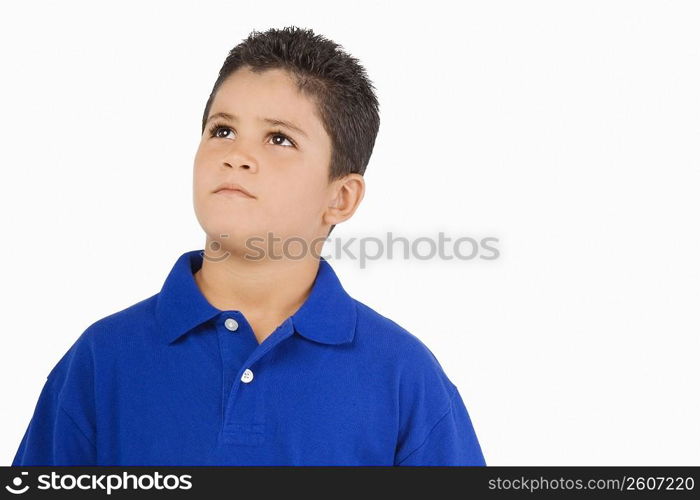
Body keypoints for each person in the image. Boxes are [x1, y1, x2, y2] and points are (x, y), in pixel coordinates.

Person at [11, 26, 486, 466]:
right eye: (223, 130)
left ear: (340, 197)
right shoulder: (101, 361)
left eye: (279, 138)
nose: (237, 155)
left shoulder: (404, 378)